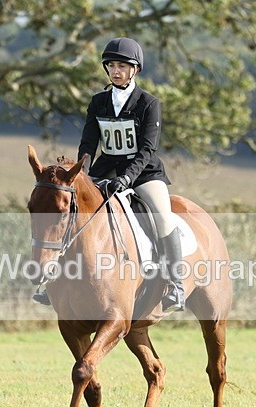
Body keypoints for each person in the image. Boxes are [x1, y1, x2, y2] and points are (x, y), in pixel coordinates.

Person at [33, 37, 185, 312]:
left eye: (122, 66)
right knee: (72, 213)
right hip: (104, 171)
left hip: (144, 173)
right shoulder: (99, 102)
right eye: (111, 66)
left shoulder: (149, 104)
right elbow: (88, 143)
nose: (116, 71)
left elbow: (148, 148)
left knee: (163, 217)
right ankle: (54, 281)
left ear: (135, 69)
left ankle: (176, 284)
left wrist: (127, 178)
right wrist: (83, 174)